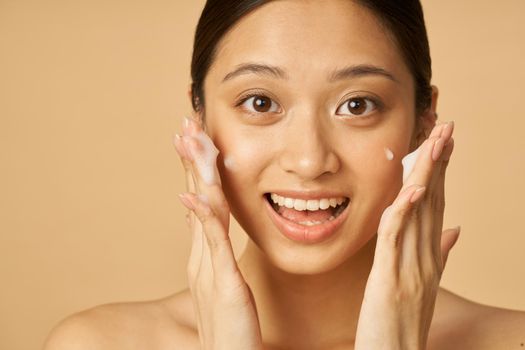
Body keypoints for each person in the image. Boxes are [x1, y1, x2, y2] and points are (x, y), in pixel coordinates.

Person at [44, 1, 525, 349]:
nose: (310, 160)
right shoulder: (97, 343)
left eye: (357, 105)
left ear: (423, 121)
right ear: (200, 118)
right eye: (260, 103)